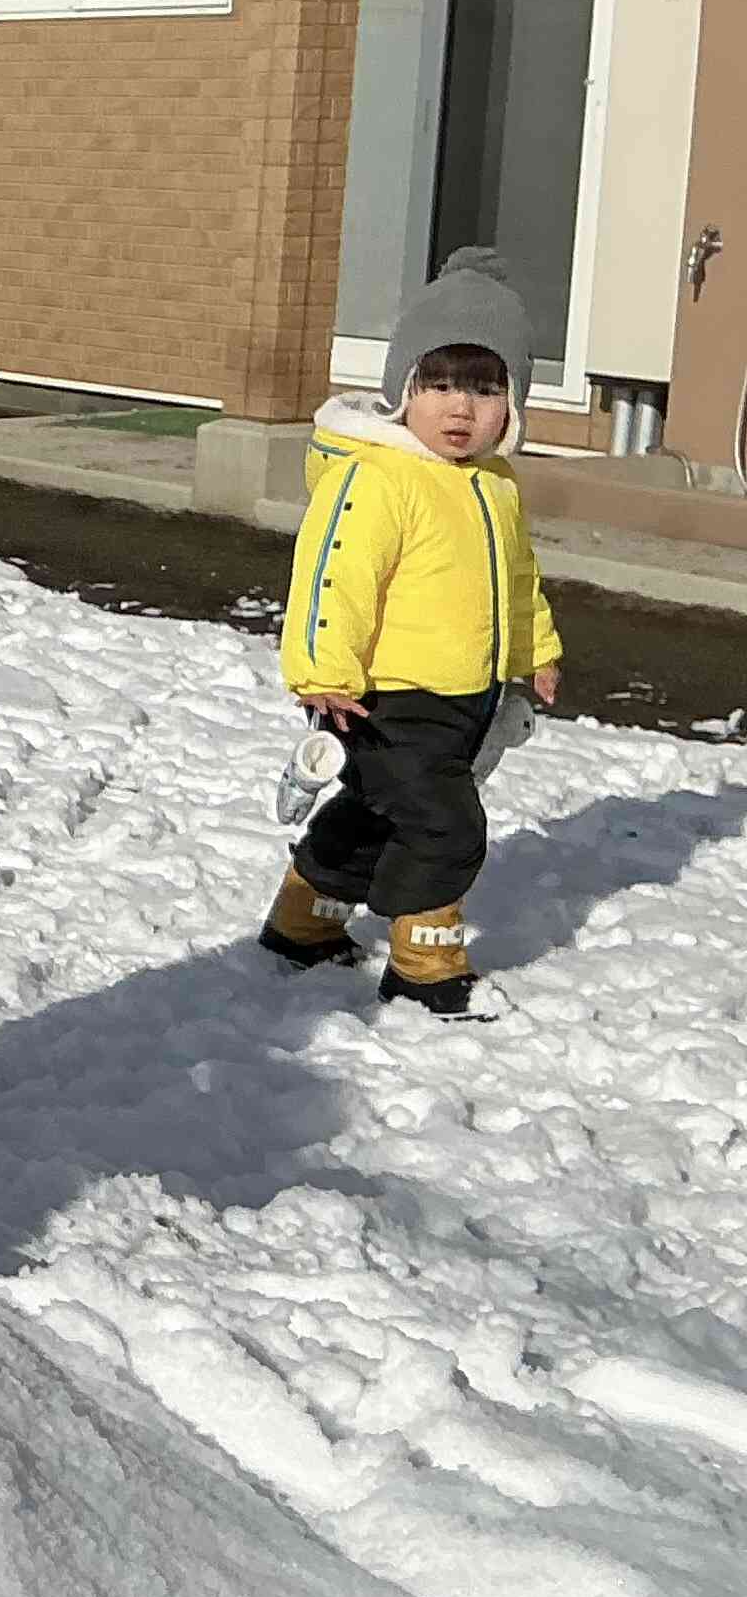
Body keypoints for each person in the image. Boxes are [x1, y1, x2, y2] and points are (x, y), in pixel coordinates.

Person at [264, 245, 564, 1018]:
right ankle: (425, 960)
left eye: (484, 389)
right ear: (404, 391)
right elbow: (334, 575)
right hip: (383, 694)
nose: (459, 410)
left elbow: (518, 578)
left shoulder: (493, 485)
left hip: (465, 692)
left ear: (513, 403)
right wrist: (321, 671)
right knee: (444, 824)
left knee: (373, 806)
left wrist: (537, 653)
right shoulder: (381, 476)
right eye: (437, 385)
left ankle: (305, 920)